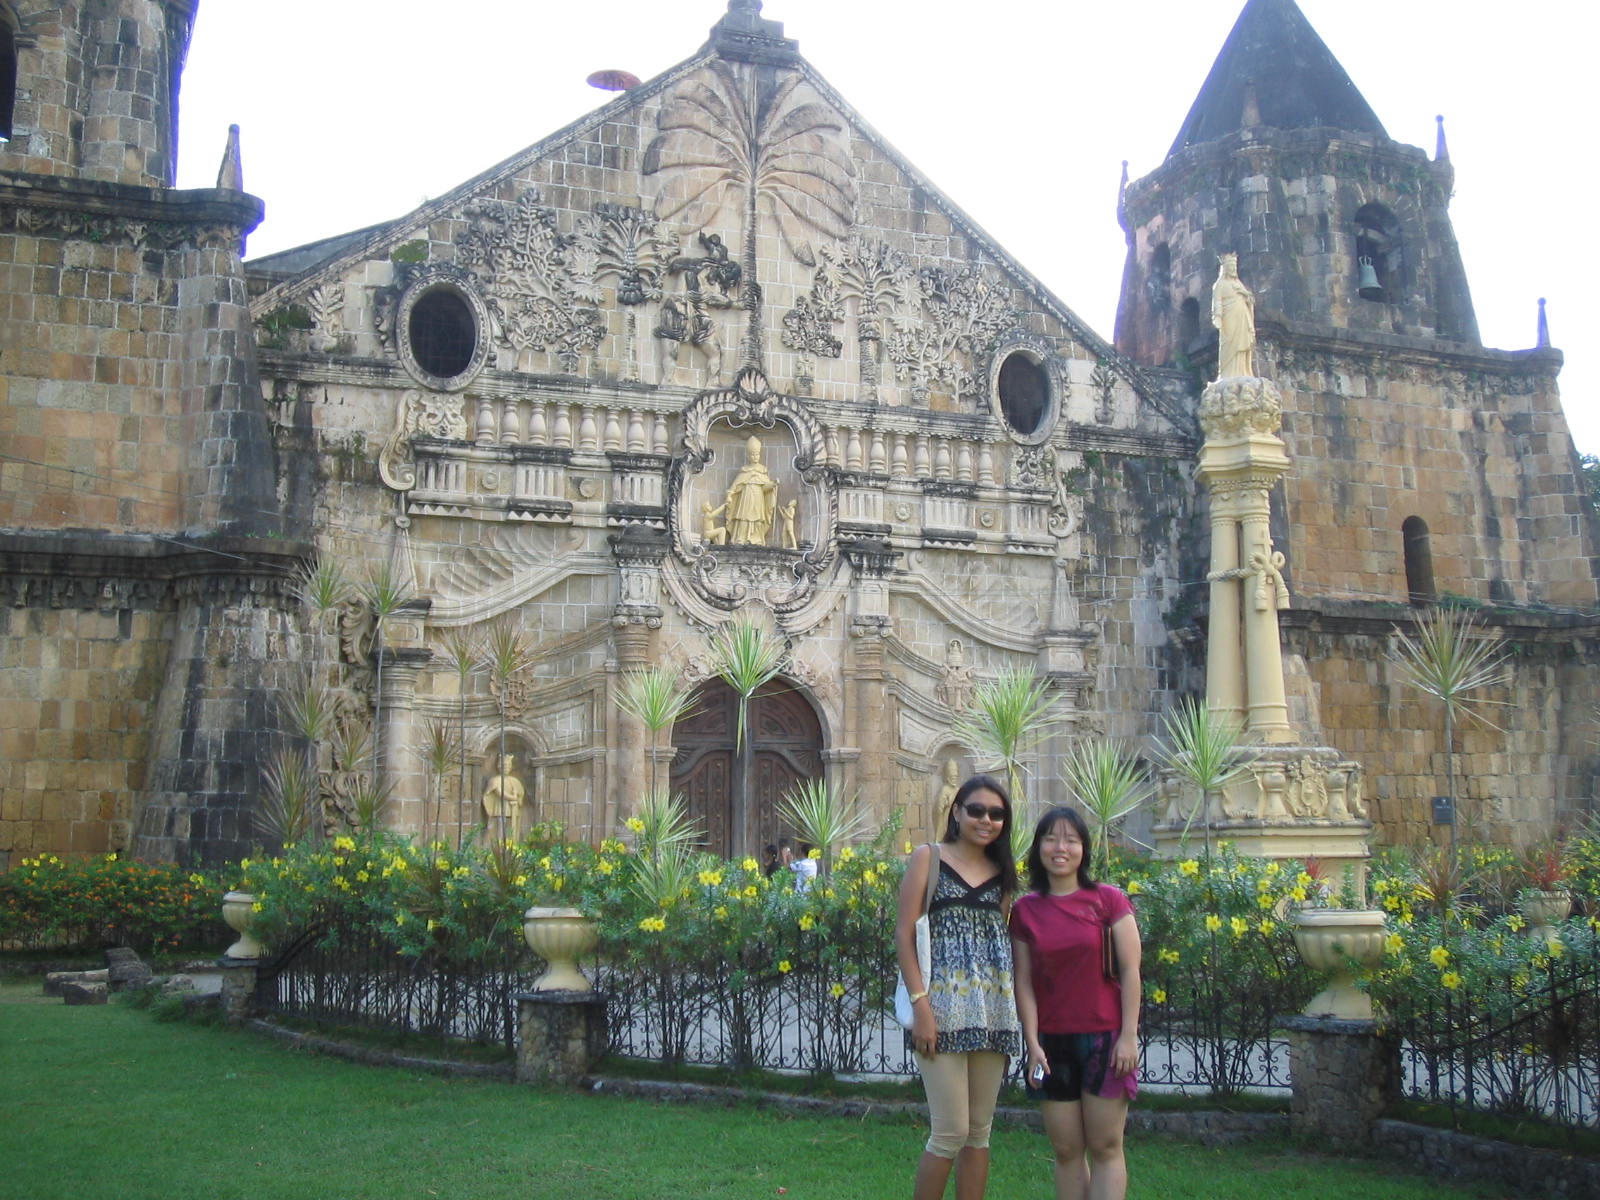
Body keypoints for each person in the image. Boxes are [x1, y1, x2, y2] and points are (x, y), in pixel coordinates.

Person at [895, 775, 1020, 1200]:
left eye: (997, 813)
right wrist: (921, 1006)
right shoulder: (929, 859)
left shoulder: (1003, 873)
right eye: (977, 810)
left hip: (992, 1011)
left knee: (979, 1133)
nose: (986, 820)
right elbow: (905, 935)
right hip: (941, 1010)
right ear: (957, 811)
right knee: (950, 1131)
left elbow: (1000, 937)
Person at [1010, 806, 1142, 1200]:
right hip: (1053, 1042)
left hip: (1105, 1038)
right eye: (1051, 838)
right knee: (1066, 1149)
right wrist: (1032, 1043)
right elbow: (1024, 981)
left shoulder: (1108, 900)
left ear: (1084, 848)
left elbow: (1131, 971)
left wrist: (1129, 1036)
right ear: (1038, 848)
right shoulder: (1026, 910)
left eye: (1070, 839)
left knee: (1105, 1147)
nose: (1060, 847)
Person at [724, 435, 778, 544]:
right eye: (753, 454)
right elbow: (736, 486)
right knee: (743, 518)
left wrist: (773, 484)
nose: (755, 457)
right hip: (746, 497)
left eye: (757, 454)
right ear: (748, 455)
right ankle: (740, 538)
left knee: (758, 520)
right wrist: (730, 494)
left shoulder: (762, 471)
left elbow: (765, 487)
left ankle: (757, 539)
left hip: (758, 498)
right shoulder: (744, 471)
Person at [1210, 252, 1256, 379]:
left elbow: (1250, 300)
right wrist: (1218, 317)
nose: (1233, 269)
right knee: (1230, 342)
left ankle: (1243, 371)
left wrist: (1246, 294)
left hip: (1242, 316)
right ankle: (1229, 372)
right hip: (1229, 318)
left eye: (1234, 267)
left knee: (1244, 342)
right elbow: (1217, 302)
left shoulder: (1238, 284)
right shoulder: (1219, 285)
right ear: (1225, 269)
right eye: (1230, 267)